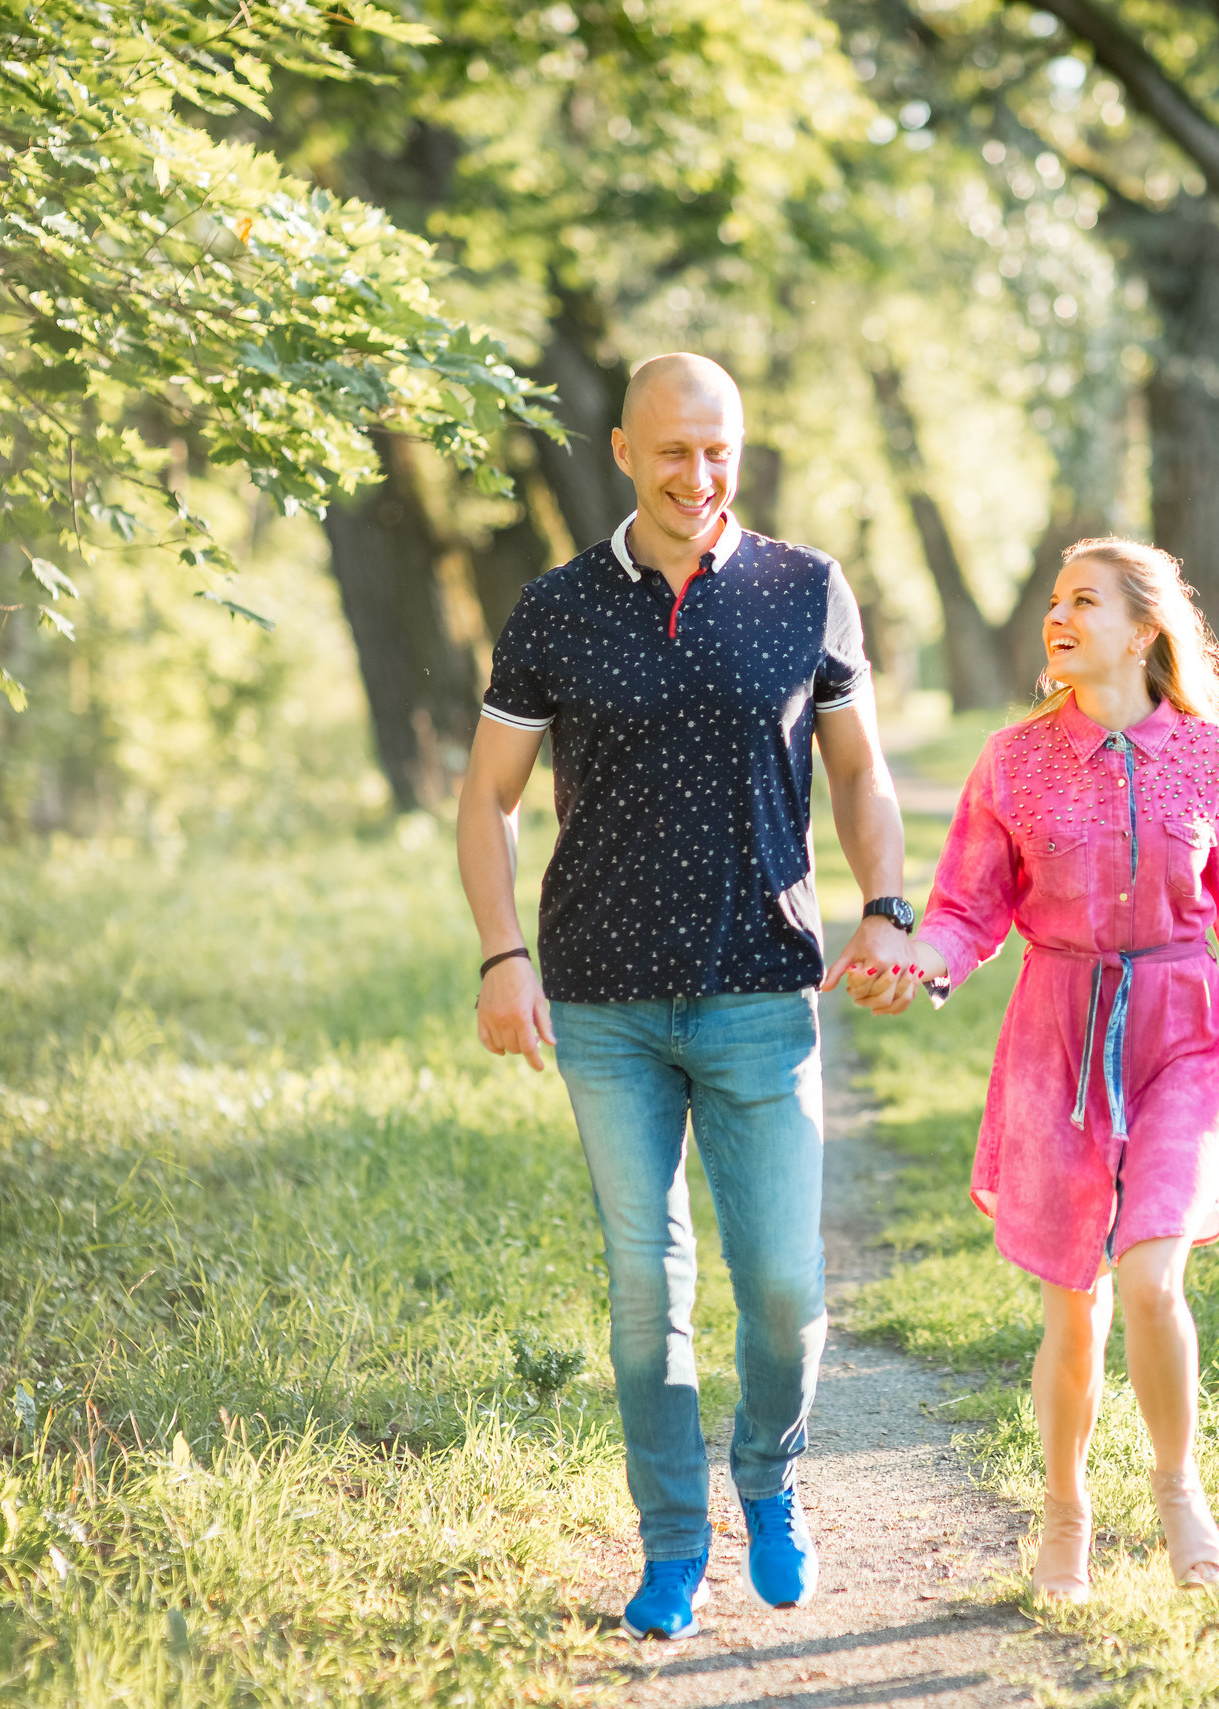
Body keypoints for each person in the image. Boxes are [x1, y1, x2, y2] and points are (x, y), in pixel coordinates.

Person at [456, 353, 915, 1640]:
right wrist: (503, 955)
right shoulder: (552, 609)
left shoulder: (804, 589)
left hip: (762, 990)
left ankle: (768, 1477)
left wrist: (886, 903)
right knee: (645, 1289)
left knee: (780, 1285)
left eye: (718, 449)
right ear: (620, 451)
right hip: (602, 1005)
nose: (697, 474)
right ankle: (669, 1544)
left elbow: (862, 770)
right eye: (672, 450)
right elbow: (482, 798)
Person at [848, 538, 1219, 1603]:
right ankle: (1065, 1513)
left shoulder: (1212, 755)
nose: (1056, 616)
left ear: (1143, 629)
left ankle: (1178, 1487)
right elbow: (968, 905)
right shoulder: (1011, 760)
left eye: (1083, 601)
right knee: (1074, 1302)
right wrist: (920, 956)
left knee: (1151, 1278)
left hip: (1183, 1028)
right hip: (1054, 1034)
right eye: (1053, 600)